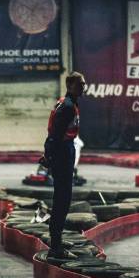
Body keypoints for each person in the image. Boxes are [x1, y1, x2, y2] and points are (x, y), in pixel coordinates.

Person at [43, 71, 86, 259]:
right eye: (80, 84)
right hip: (62, 153)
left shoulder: (68, 103)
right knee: (62, 200)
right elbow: (54, 135)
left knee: (62, 198)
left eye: (84, 84)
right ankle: (55, 247)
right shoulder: (67, 106)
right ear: (69, 85)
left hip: (65, 150)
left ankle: (57, 241)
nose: (83, 87)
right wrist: (50, 156)